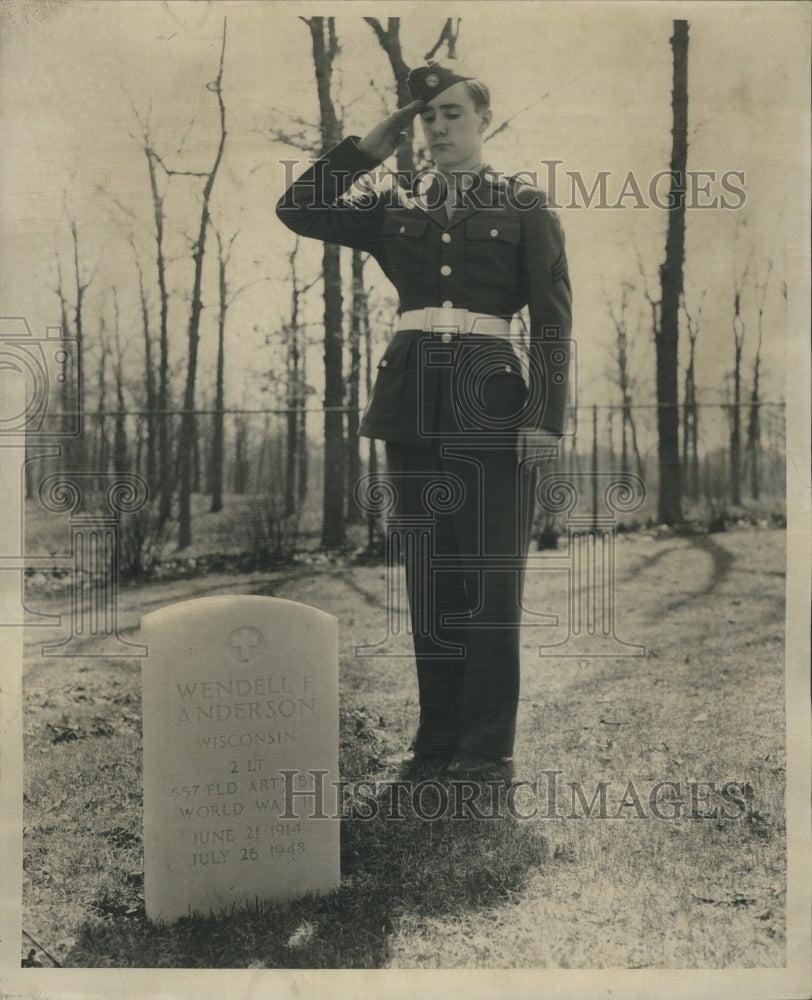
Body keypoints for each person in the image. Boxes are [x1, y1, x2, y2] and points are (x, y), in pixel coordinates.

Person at [277, 62, 572, 778]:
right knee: (431, 578)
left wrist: (544, 420)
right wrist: (369, 148)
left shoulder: (525, 205)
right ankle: (437, 737)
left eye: (452, 114)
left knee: (489, 579)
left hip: (492, 404)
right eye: (428, 117)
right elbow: (297, 209)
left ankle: (485, 747)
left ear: (483, 121)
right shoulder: (393, 202)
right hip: (410, 406)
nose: (439, 128)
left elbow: (555, 319)